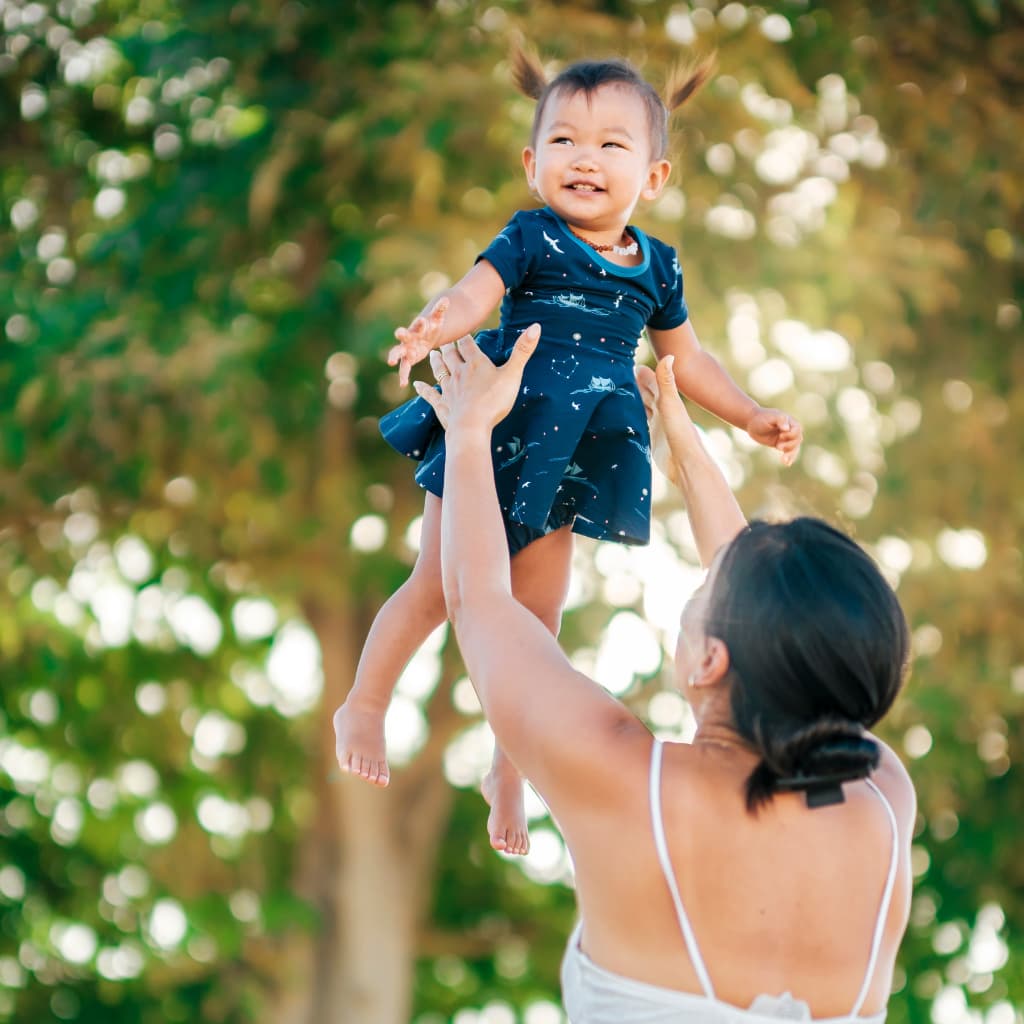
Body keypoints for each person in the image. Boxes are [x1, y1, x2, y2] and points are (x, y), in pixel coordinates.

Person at [334, 51, 803, 856]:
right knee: (436, 586)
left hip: (577, 451)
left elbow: (687, 361)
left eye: (611, 145)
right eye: (564, 141)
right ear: (533, 162)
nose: (585, 158)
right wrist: (435, 325)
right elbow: (474, 292)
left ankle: (508, 766)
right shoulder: (531, 235)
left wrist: (749, 412)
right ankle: (367, 704)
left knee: (536, 623)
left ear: (653, 177)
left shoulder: (657, 266)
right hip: (496, 421)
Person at [414, 328, 915, 1022]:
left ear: (712, 660)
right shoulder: (885, 800)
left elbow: (481, 603)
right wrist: (683, 442)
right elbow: (778, 622)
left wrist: (468, 431)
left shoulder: (627, 779)